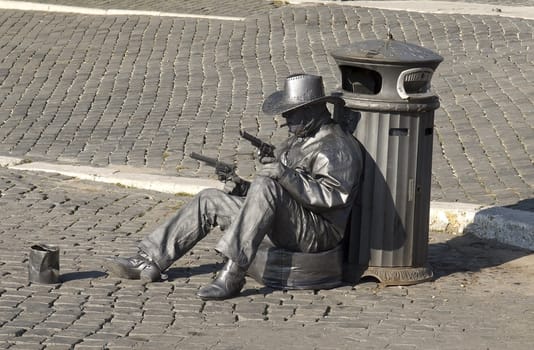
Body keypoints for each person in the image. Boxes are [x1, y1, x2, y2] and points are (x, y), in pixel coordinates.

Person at [104, 74, 363, 300]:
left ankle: (233, 274)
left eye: (290, 113)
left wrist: (284, 175)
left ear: (311, 110)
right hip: (291, 221)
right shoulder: (297, 139)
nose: (284, 119)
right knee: (210, 199)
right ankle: (149, 260)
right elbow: (271, 197)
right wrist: (242, 188)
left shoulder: (337, 146)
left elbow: (332, 196)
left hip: (317, 231)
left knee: (266, 182)